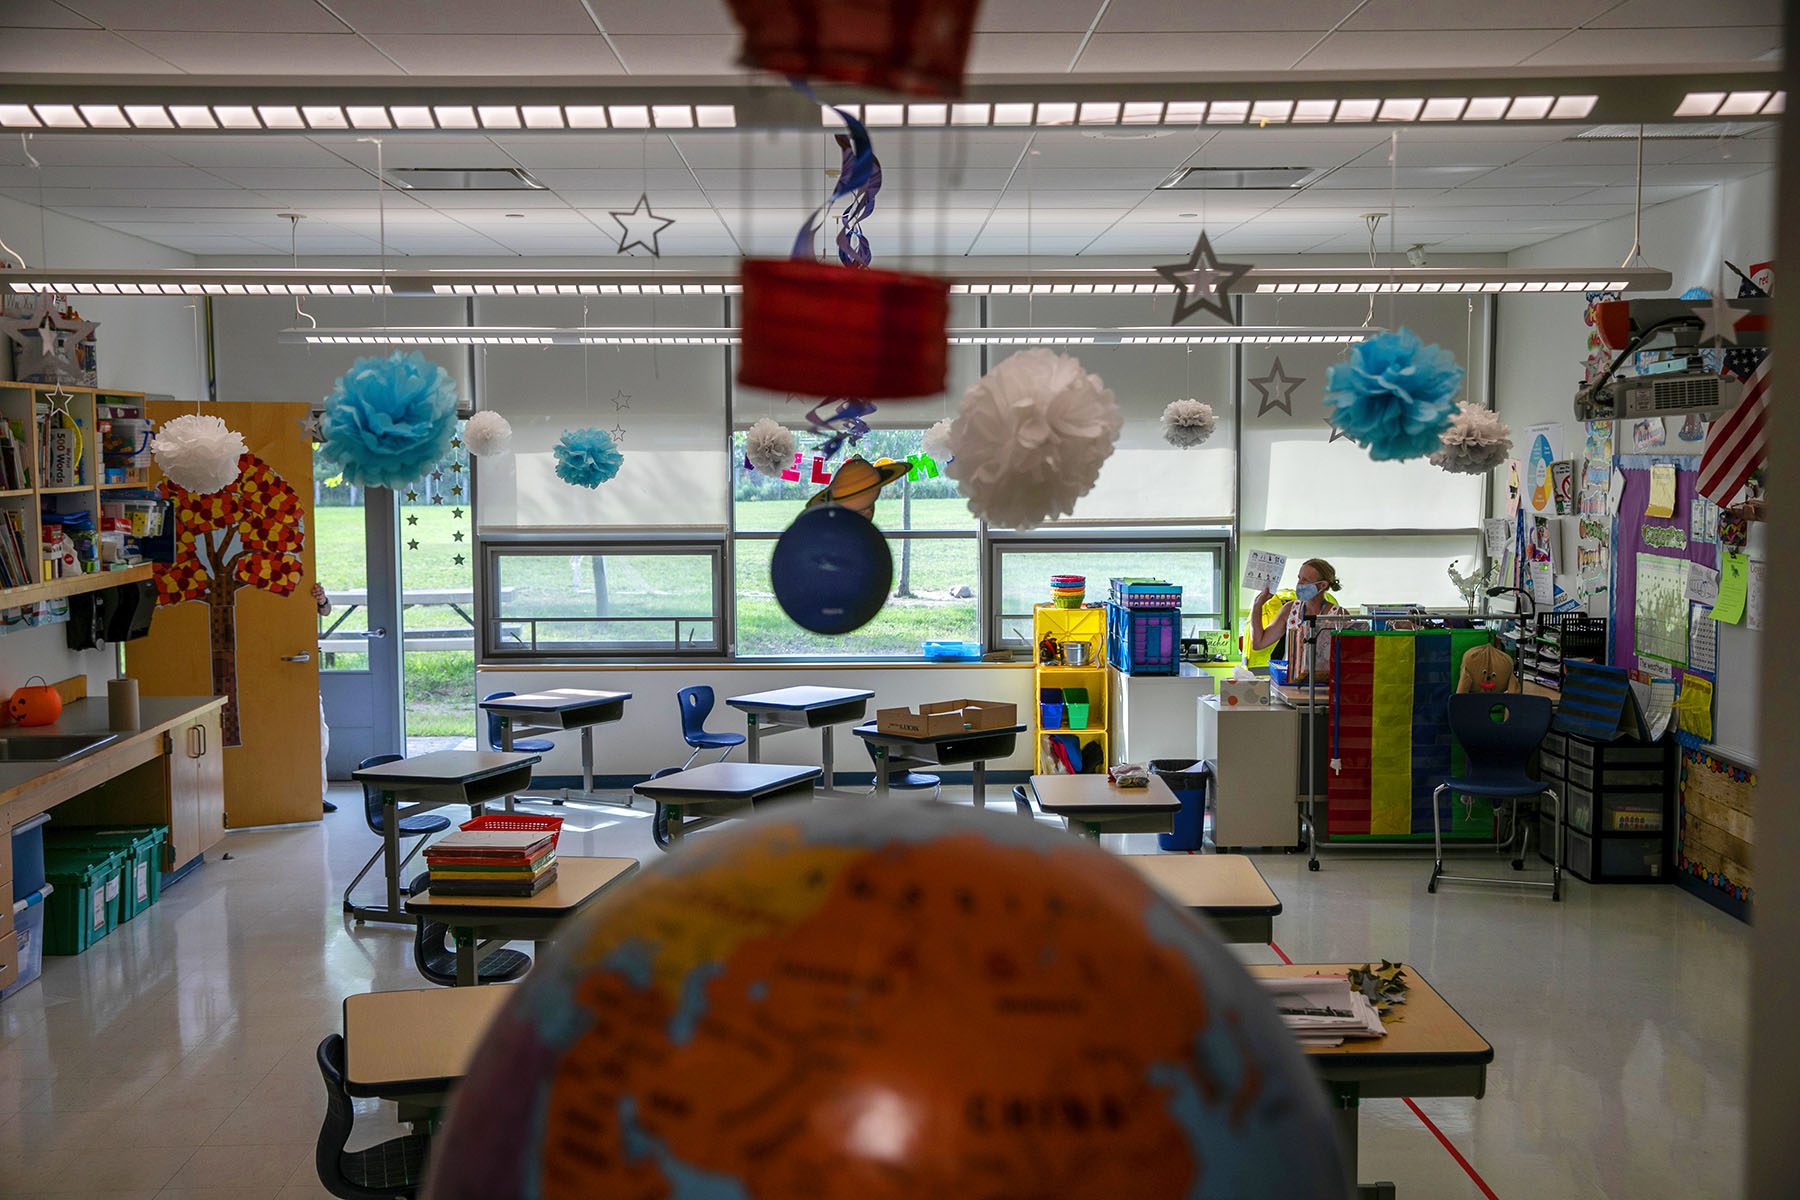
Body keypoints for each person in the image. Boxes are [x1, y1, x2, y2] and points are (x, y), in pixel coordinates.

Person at [1248, 558, 1346, 681]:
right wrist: (1258, 605)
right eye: (1299, 578)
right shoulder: (1290, 610)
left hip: (1327, 684)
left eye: (1305, 580)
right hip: (1293, 682)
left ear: (1323, 585)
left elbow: (1348, 658)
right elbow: (1258, 643)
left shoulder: (1338, 615)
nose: (1299, 584)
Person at [313, 582, 336, 814]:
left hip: (308, 677)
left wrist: (321, 600)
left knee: (321, 737)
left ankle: (317, 795)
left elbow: (326, 611)